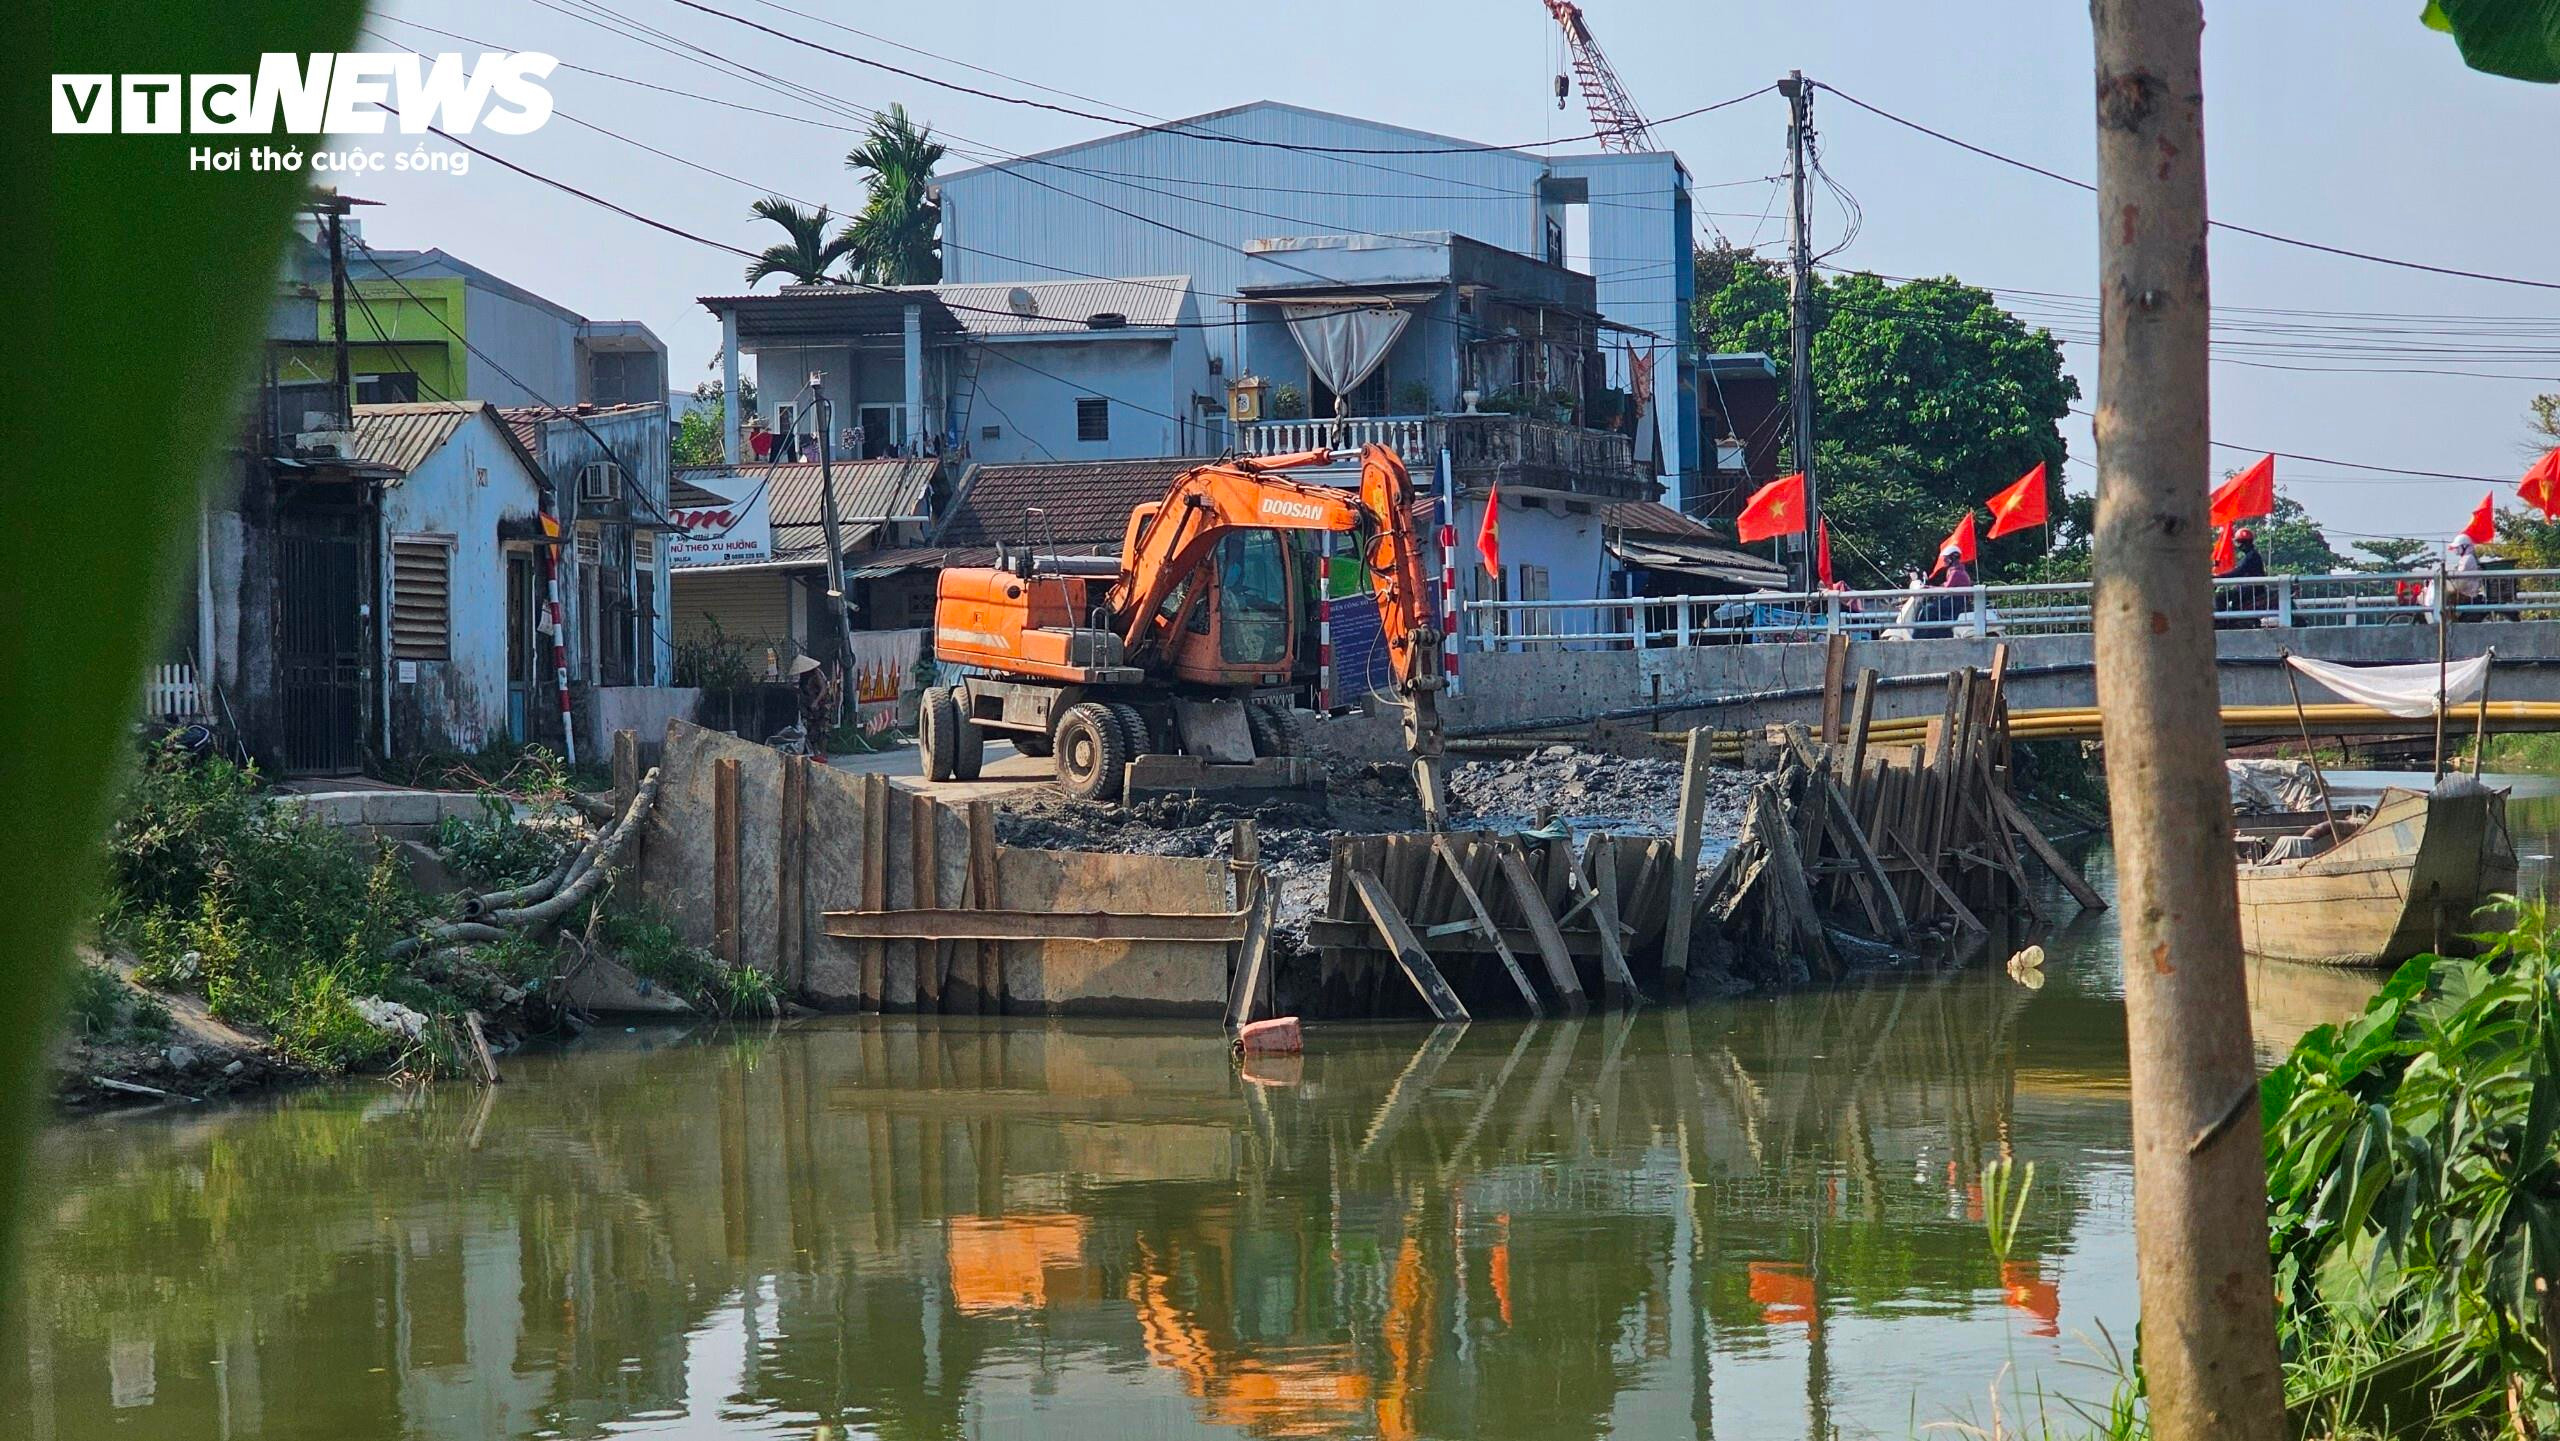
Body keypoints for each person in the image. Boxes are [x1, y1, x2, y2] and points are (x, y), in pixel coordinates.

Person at [2216, 526, 2268, 627]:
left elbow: (2237, 572)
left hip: (2252, 588)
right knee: (2234, 598)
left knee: (2221, 597)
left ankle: (2222, 623)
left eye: (2239, 543)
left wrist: (2219, 576)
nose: (2238, 546)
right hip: (2252, 588)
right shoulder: (2252, 555)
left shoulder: (2251, 556)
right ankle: (2233, 621)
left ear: (2243, 543)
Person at [1914, 544, 1969, 639]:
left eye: (1946, 558)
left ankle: (1918, 636)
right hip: (1954, 600)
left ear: (1953, 558)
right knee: (1931, 607)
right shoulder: (1955, 571)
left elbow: (1946, 589)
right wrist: (1929, 587)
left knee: (1928, 609)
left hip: (1955, 602)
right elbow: (1945, 586)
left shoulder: (1956, 572)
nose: (1944, 561)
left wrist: (1928, 588)